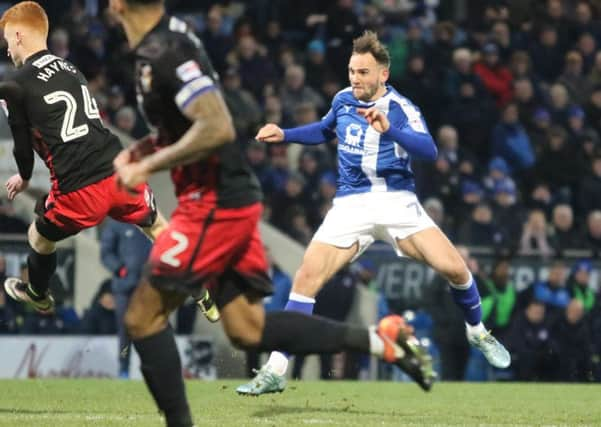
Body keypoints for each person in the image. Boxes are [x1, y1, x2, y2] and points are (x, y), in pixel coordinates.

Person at [109, 2, 434, 426]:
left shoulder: (166, 50)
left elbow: (217, 127)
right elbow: (185, 127)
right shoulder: (165, 43)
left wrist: (145, 167)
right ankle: (382, 342)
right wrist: (142, 150)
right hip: (224, 198)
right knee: (246, 330)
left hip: (213, 204)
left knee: (142, 316)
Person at [240, 30, 510, 395]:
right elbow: (323, 130)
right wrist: (284, 134)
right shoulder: (342, 100)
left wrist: (392, 130)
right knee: (306, 277)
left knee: (455, 270)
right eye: (352, 70)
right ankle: (275, 368)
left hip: (396, 201)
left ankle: (478, 332)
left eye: (363, 72)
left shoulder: (401, 108)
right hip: (351, 204)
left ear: (383, 74)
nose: (355, 78)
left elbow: (429, 151)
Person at [0, 2, 218, 324]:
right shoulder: (69, 68)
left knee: (37, 236)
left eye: (6, 42)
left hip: (79, 188)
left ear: (18, 36)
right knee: (156, 225)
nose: (6, 51)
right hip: (118, 171)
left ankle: (39, 294)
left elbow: (22, 146)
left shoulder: (13, 85)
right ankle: (199, 287)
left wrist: (25, 176)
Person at [100, 219, 152, 378]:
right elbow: (106, 253)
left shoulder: (149, 221)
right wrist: (119, 269)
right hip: (124, 288)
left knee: (151, 329)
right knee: (125, 331)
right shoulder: (116, 224)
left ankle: (151, 369)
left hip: (147, 287)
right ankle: (124, 369)